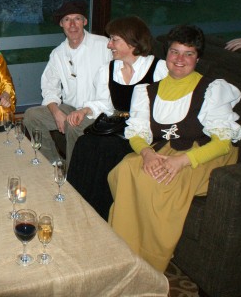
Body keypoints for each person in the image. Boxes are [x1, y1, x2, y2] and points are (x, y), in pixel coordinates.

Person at [107, 25, 241, 273]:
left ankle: (150, 262)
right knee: (126, 169)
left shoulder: (212, 89)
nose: (180, 59)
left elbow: (222, 142)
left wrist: (181, 161)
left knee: (160, 183)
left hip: (205, 152)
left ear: (197, 58)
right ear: (167, 54)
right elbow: (137, 133)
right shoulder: (148, 91)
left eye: (188, 53)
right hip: (168, 148)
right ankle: (123, 250)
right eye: (175, 52)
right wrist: (147, 153)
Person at [66, 16, 168, 220]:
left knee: (107, 149)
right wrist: (85, 110)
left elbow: (167, 107)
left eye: (114, 40)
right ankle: (75, 204)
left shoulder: (159, 69)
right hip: (118, 125)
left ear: (132, 42)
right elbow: (105, 103)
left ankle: (100, 213)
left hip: (145, 130)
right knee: (86, 142)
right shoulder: (108, 69)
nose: (109, 45)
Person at [23, 0, 112, 164]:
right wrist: (56, 112)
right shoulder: (58, 54)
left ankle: (72, 175)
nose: (72, 24)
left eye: (77, 18)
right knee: (31, 116)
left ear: (85, 21)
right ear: (61, 24)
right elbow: (49, 87)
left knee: (73, 123)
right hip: (72, 108)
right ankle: (54, 163)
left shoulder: (104, 45)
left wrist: (83, 111)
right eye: (67, 20)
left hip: (99, 111)